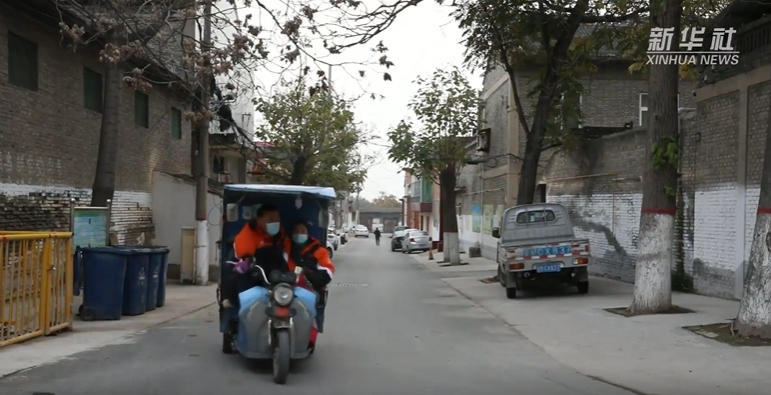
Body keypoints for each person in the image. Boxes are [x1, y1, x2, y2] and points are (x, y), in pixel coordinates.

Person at [222, 203, 288, 310]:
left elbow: (287, 257)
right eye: (270, 219)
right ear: (259, 220)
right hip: (252, 277)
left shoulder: (281, 234)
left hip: (277, 281)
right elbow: (244, 259)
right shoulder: (248, 234)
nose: (275, 223)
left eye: (277, 219)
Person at [285, 220, 335, 338]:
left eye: (303, 231)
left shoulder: (319, 251)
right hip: (285, 288)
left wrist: (309, 275)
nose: (299, 234)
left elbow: (328, 271)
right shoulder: (284, 249)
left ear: (308, 233)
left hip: (310, 289)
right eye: (296, 231)